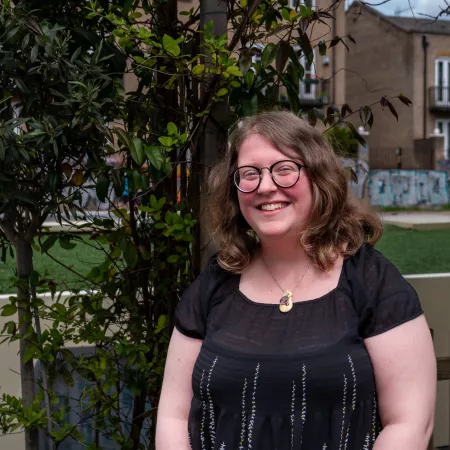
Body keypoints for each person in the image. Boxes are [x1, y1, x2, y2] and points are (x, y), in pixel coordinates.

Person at [156, 111, 436, 450]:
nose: (266, 186)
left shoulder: (372, 282)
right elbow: (173, 415)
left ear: (319, 178)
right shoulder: (214, 284)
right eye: (249, 174)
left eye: (284, 169)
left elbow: (409, 422)